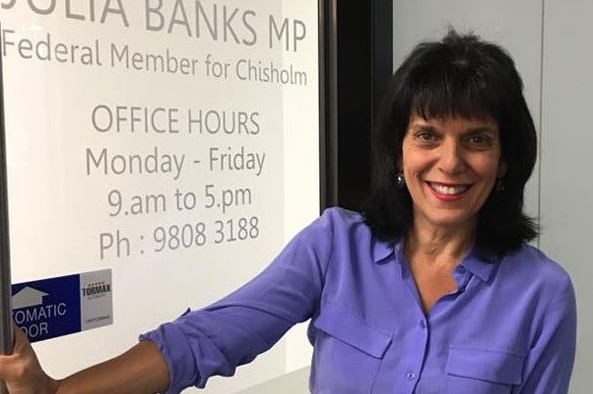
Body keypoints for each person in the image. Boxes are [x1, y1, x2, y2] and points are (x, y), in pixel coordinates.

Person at [0, 29, 576, 393]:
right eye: (427, 135)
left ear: (504, 160)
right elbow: (204, 341)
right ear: (398, 150)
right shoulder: (335, 246)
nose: (449, 162)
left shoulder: (542, 294)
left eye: (476, 140)